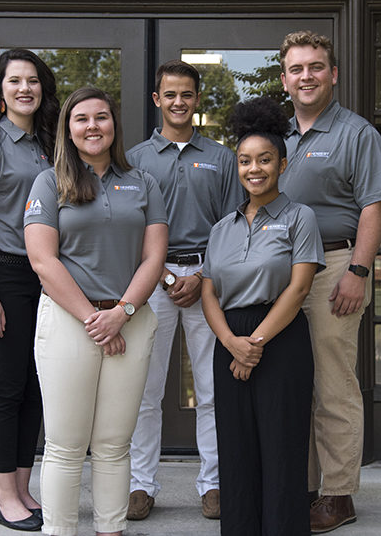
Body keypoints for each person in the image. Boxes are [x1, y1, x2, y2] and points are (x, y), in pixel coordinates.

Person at [24, 87, 168, 536]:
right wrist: (96, 319)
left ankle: (112, 530)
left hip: (129, 322)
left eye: (101, 117)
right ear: (68, 128)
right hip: (70, 323)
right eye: (81, 118)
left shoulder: (143, 182)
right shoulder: (49, 182)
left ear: (114, 125)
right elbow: (43, 261)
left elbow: (154, 257)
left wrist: (121, 313)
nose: (92, 126)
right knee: (66, 446)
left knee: (113, 445)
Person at [278, 30, 381, 533]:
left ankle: (338, 493)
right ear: (285, 79)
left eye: (316, 67)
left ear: (334, 74)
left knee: (333, 384)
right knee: (289, 382)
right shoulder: (277, 136)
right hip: (280, 276)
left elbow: (375, 205)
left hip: (332, 270)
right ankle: (301, 486)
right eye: (297, 68)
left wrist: (357, 272)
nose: (307, 76)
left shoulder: (356, 133)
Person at [126, 59, 244, 520]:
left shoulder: (220, 158)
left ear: (198, 100)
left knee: (213, 390)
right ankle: (141, 485)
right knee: (145, 389)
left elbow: (235, 228)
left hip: (206, 282)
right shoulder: (133, 159)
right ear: (157, 100)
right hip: (151, 283)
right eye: (170, 94)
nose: (179, 102)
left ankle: (213, 484)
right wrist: (164, 276)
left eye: (187, 94)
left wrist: (202, 277)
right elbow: (128, 228)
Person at [201, 96, 325, 535]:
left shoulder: (299, 218)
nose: (255, 169)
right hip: (228, 340)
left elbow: (299, 288)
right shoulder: (221, 228)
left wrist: (254, 345)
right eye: (245, 161)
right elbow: (209, 292)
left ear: (283, 165)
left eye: (265, 160)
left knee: (281, 445)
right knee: (235, 447)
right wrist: (232, 343)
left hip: (281, 338)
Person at [0, 48, 59, 531]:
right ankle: (5, 498)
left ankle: (24, 488)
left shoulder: (48, 143)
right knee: (8, 387)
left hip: (45, 276)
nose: (25, 88)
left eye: (33, 80)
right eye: (15, 80)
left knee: (36, 386)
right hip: (3, 274)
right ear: (0, 91)